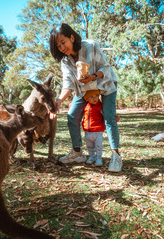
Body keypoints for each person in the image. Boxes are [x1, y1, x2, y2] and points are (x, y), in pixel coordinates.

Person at [49, 23, 122, 172]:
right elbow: (68, 84)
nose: (62, 48)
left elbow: (105, 67)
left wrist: (93, 76)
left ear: (71, 37)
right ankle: (77, 152)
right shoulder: (65, 61)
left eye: (63, 42)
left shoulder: (90, 45)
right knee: (72, 116)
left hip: (104, 83)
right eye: (58, 46)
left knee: (109, 117)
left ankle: (116, 155)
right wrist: (59, 101)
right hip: (84, 89)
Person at [82, 90, 105, 167]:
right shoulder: (86, 106)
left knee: (98, 146)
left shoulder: (100, 106)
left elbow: (106, 114)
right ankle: (92, 157)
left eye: (96, 96)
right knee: (89, 146)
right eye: (91, 97)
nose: (95, 98)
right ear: (87, 99)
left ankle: (98, 158)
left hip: (98, 131)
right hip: (87, 131)